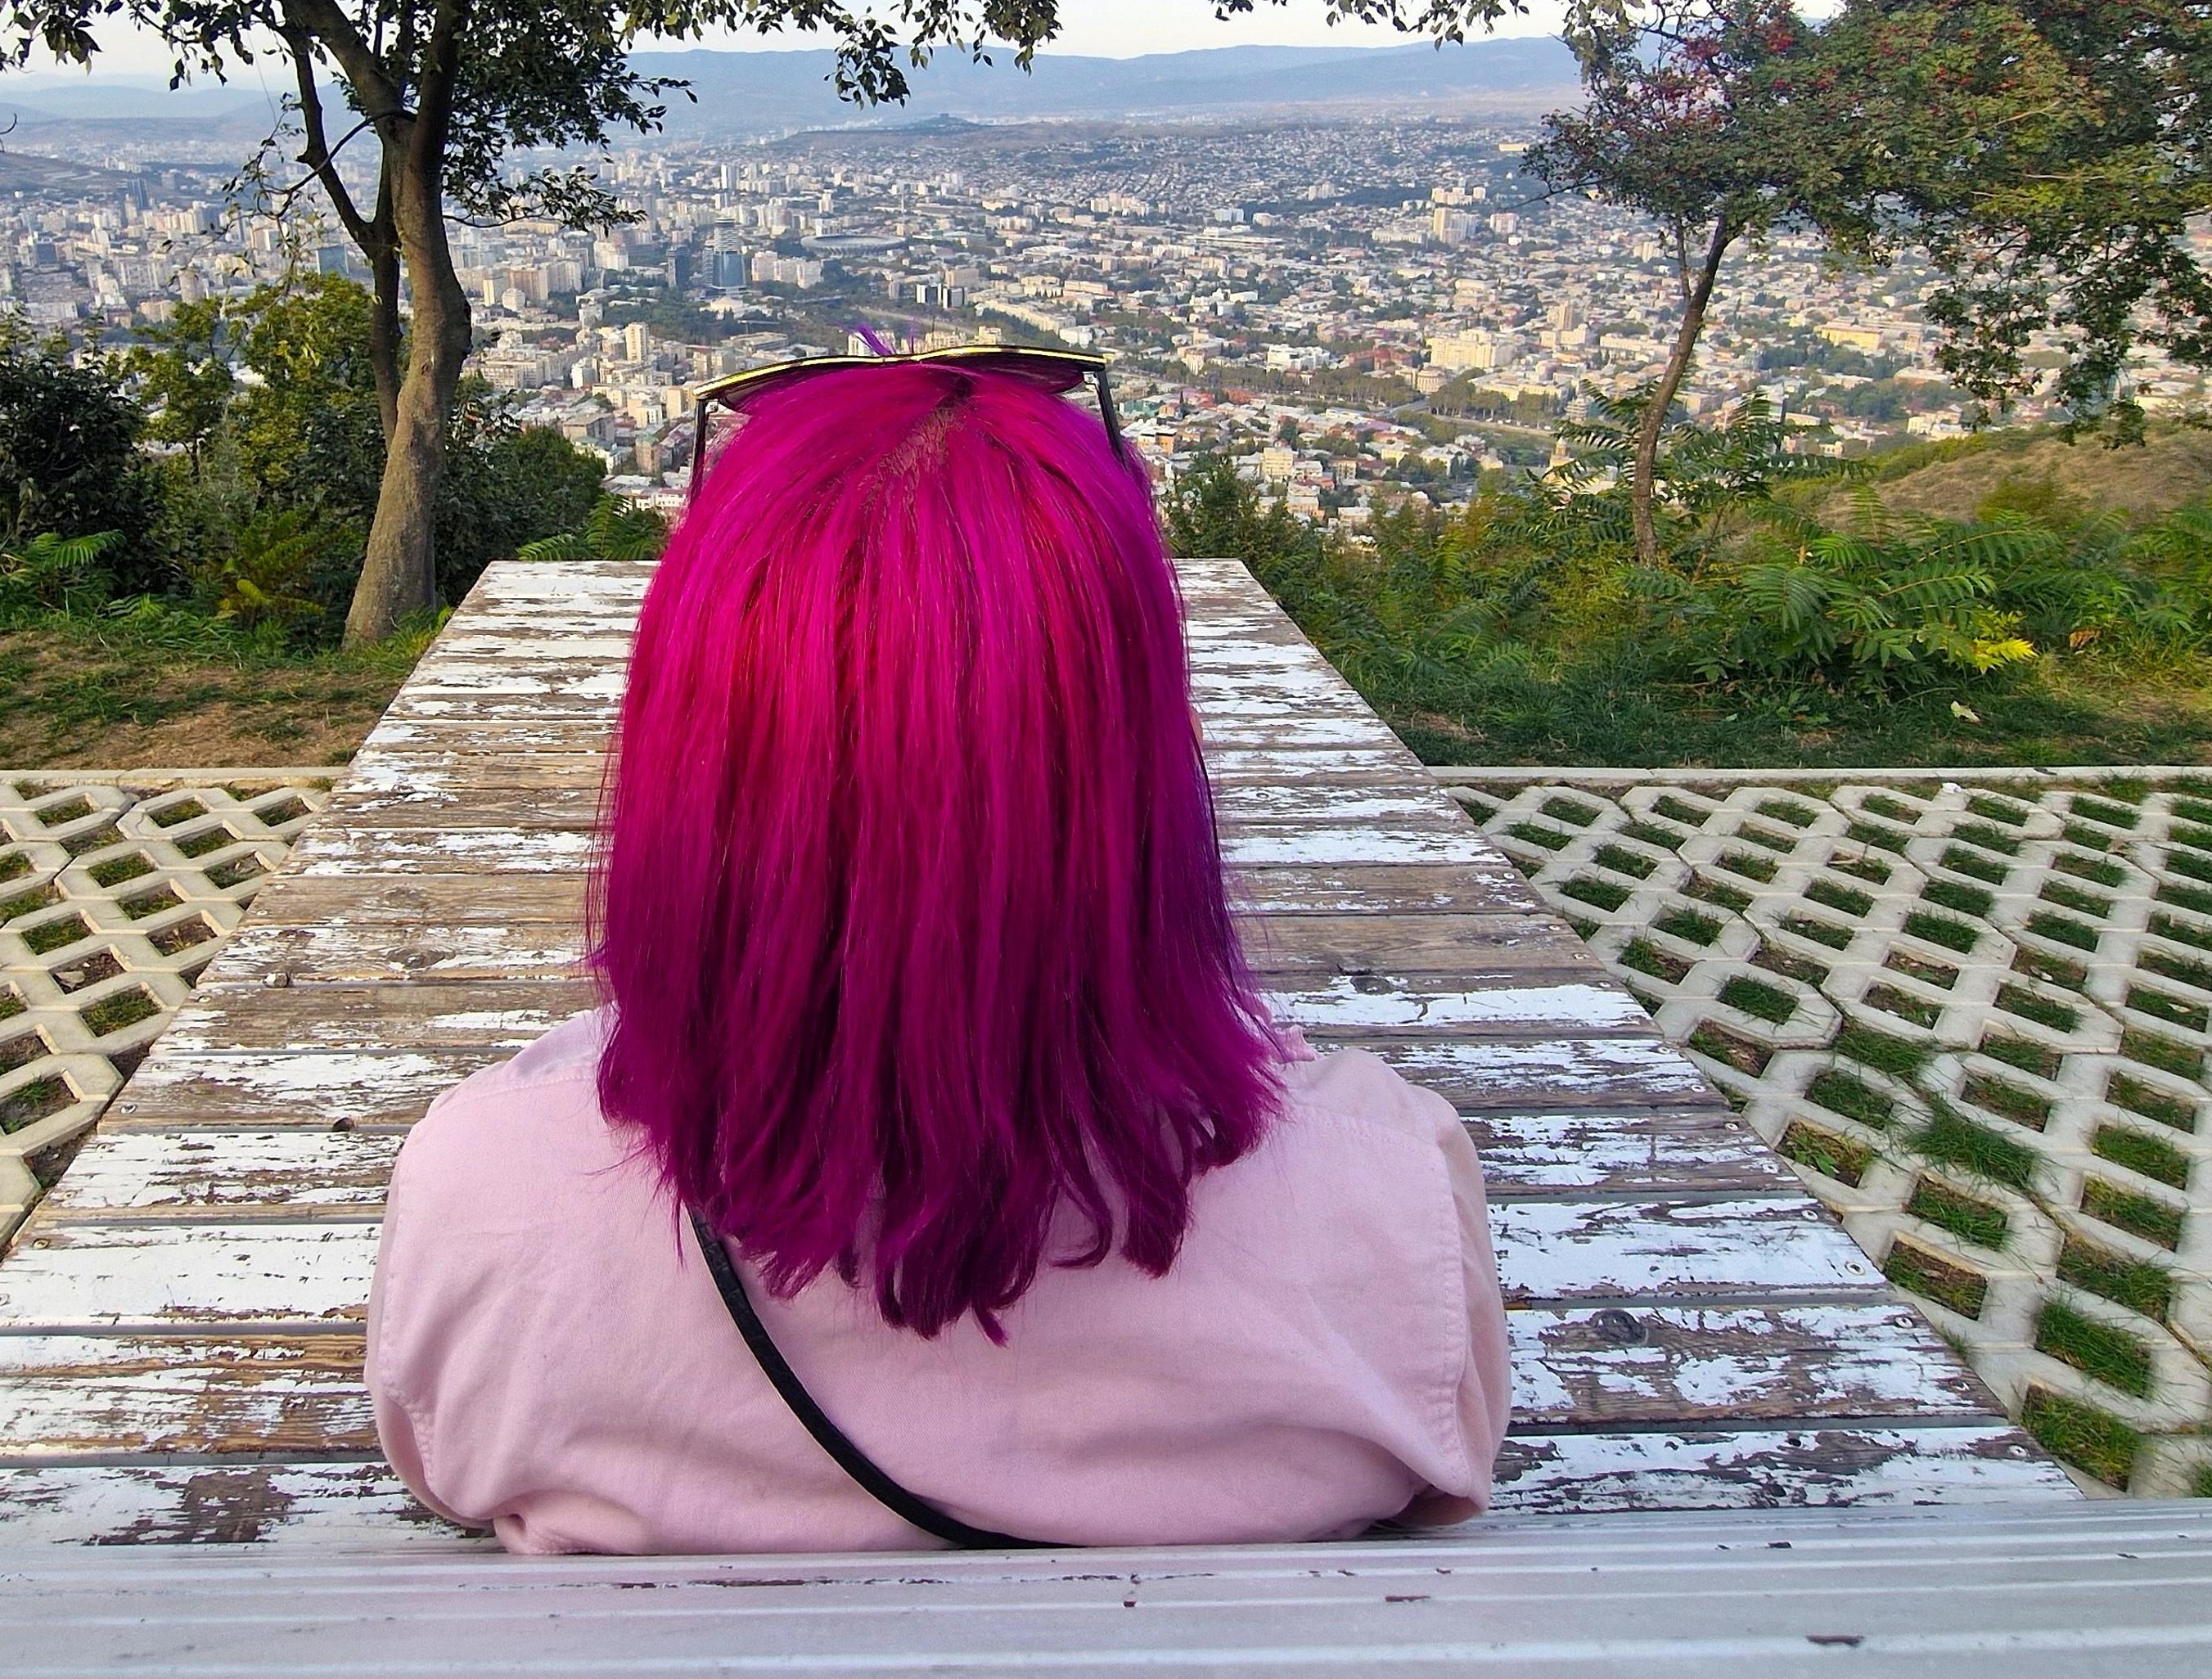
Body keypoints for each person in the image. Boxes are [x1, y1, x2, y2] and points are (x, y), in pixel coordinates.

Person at [363, 353, 1508, 1553]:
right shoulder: (1387, 1208)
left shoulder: (489, 1204)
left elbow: (441, 1471)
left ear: (695, 738)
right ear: (1131, 751)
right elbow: (1444, 1477)